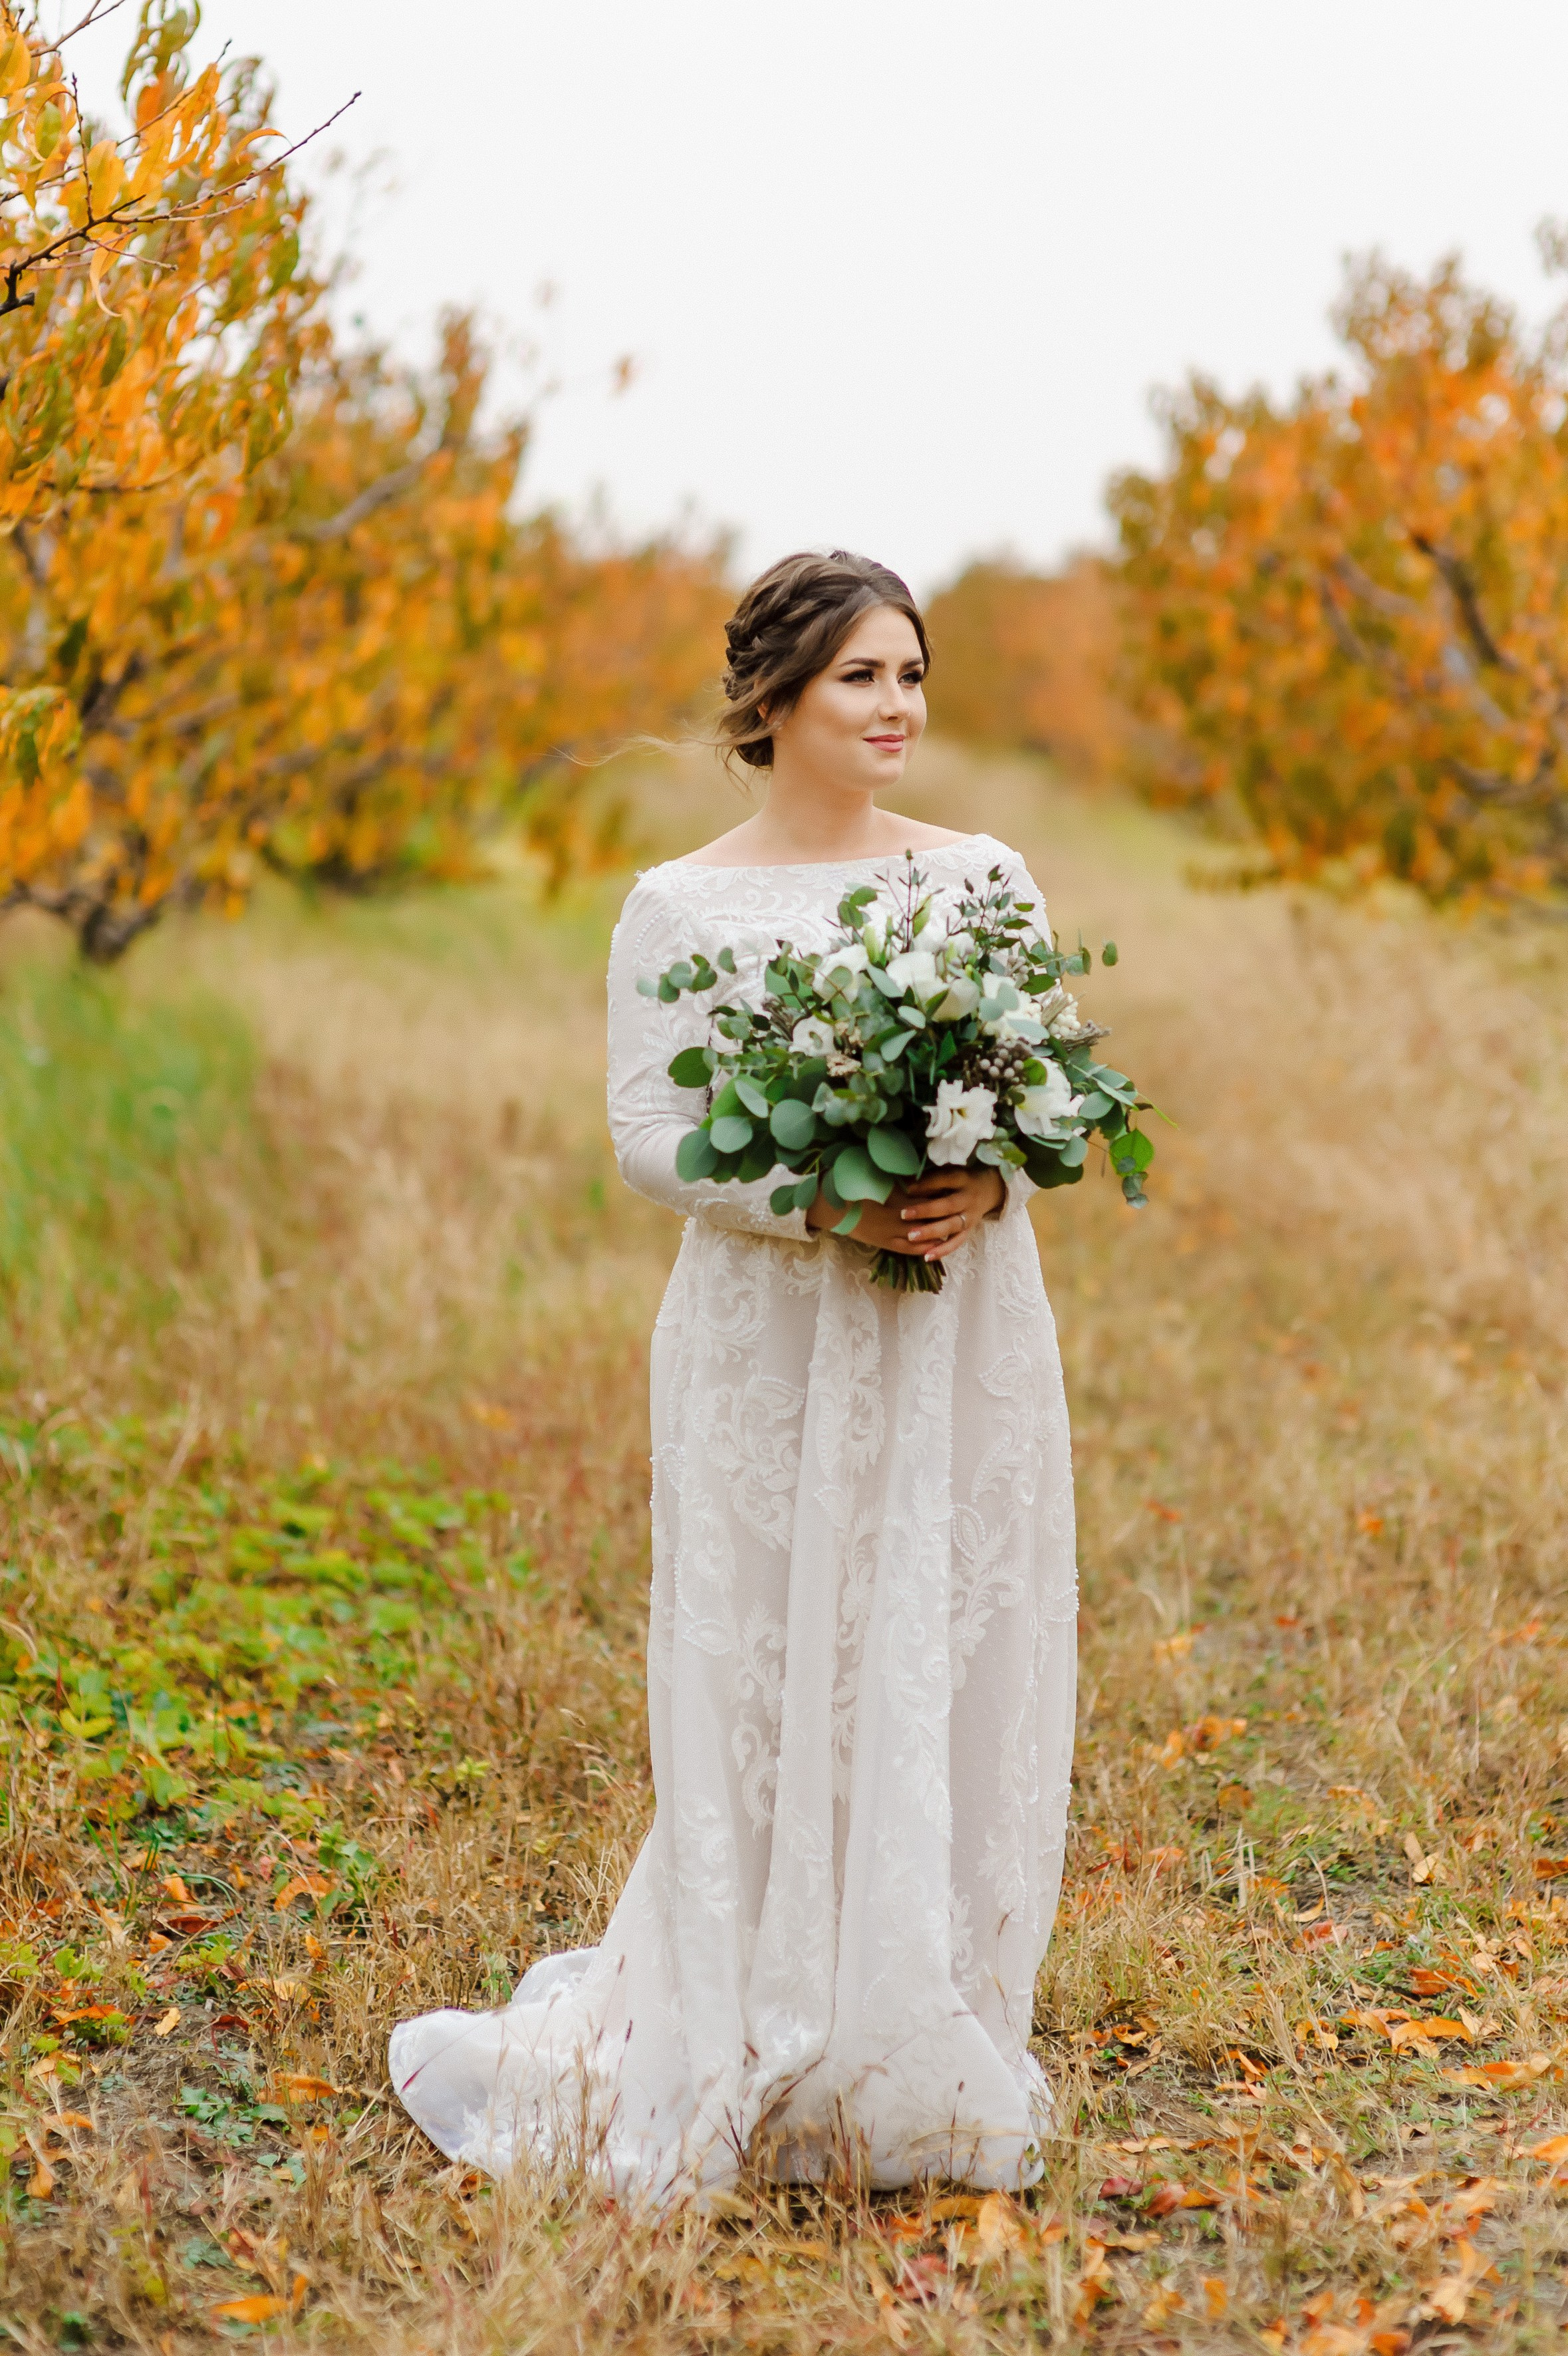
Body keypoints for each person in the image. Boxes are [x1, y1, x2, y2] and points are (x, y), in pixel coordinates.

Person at [390, 550, 1077, 2199]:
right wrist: (822, 1193)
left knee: (934, 1639)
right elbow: (647, 1137)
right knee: (768, 1663)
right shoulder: (680, 906)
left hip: (949, 1324)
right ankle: (745, 2011)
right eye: (862, 677)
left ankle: (914, 2018)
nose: (898, 705)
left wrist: (992, 1181)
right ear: (774, 698)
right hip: (765, 1340)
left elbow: (1049, 1090)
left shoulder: (984, 878)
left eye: (912, 674)